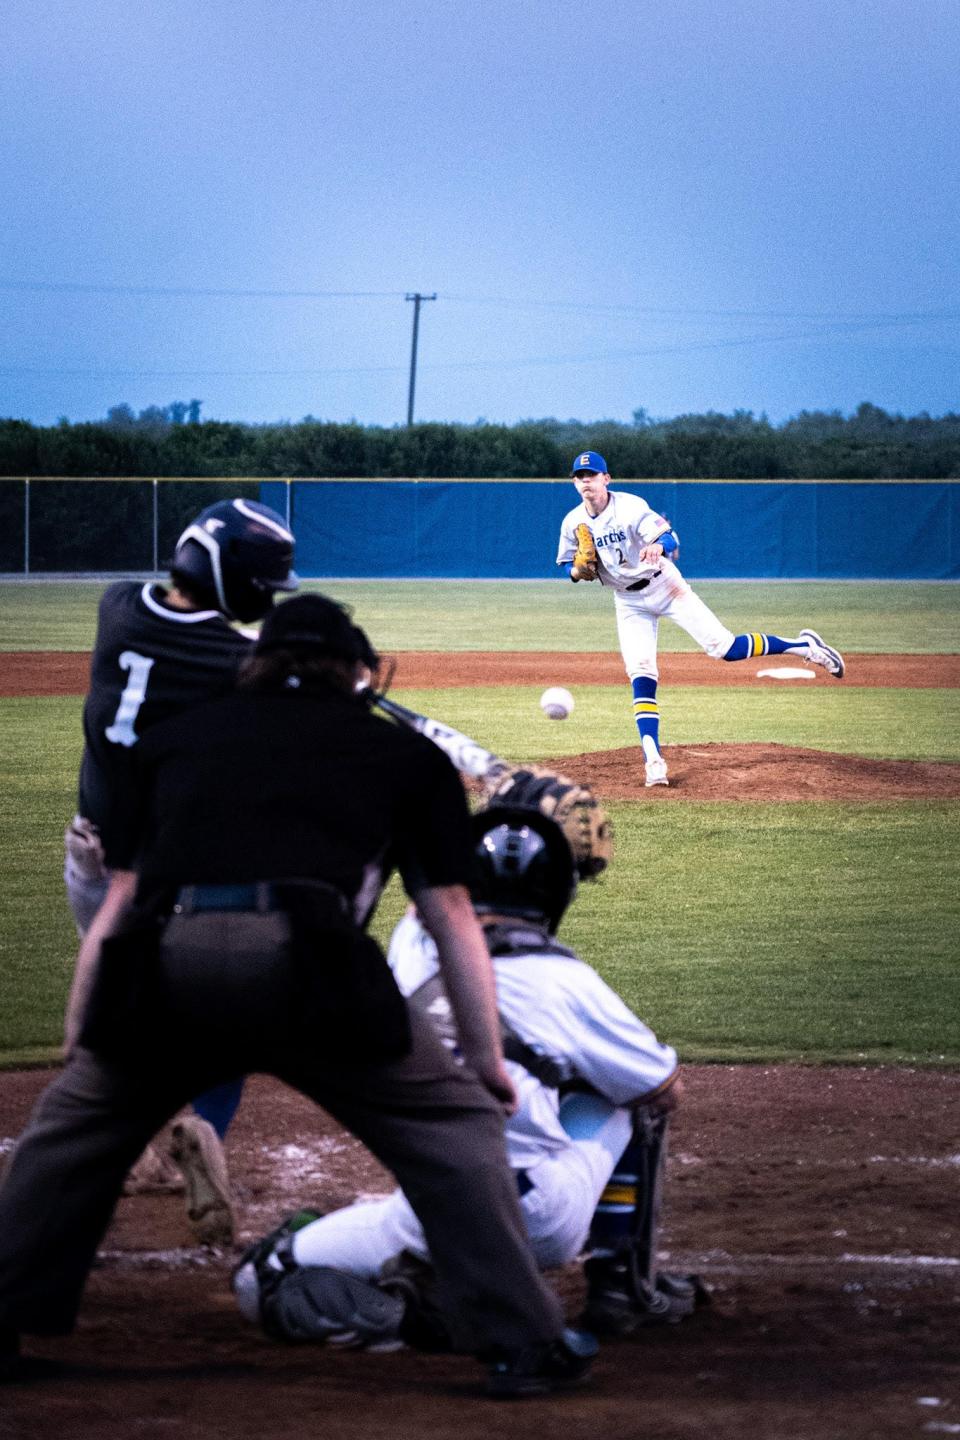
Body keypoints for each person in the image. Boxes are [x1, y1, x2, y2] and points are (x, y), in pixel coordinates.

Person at [0, 594, 594, 1398]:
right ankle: (521, 1342)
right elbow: (451, 915)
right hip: (316, 969)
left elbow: (122, 901)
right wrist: (483, 1062)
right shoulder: (403, 758)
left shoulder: (174, 743)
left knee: (71, 1134)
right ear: (357, 671)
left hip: (172, 966)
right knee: (449, 1126)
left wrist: (84, 1035)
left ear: (254, 663)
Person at [231, 804, 704, 1351]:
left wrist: (483, 818)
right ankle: (621, 1286)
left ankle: (413, 1317)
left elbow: (426, 898)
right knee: (631, 1092)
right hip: (542, 1219)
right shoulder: (567, 983)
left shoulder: (414, 949)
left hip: (433, 1212)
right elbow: (664, 1088)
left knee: (259, 1279)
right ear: (557, 893)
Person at [63, 496, 299, 1243]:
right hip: (165, 872)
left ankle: (117, 1148)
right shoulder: (235, 663)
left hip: (89, 854)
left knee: (121, 1002)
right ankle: (203, 1127)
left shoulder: (117, 609)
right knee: (220, 1017)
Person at [556, 451, 846, 788]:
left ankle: (804, 647)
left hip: (664, 584)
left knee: (725, 648)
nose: (586, 481)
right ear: (574, 483)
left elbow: (671, 537)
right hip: (628, 600)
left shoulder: (631, 506)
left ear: (607, 479)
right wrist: (576, 571)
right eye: (580, 476)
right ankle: (654, 760)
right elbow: (566, 563)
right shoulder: (572, 522)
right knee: (641, 673)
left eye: (592, 475)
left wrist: (658, 548)